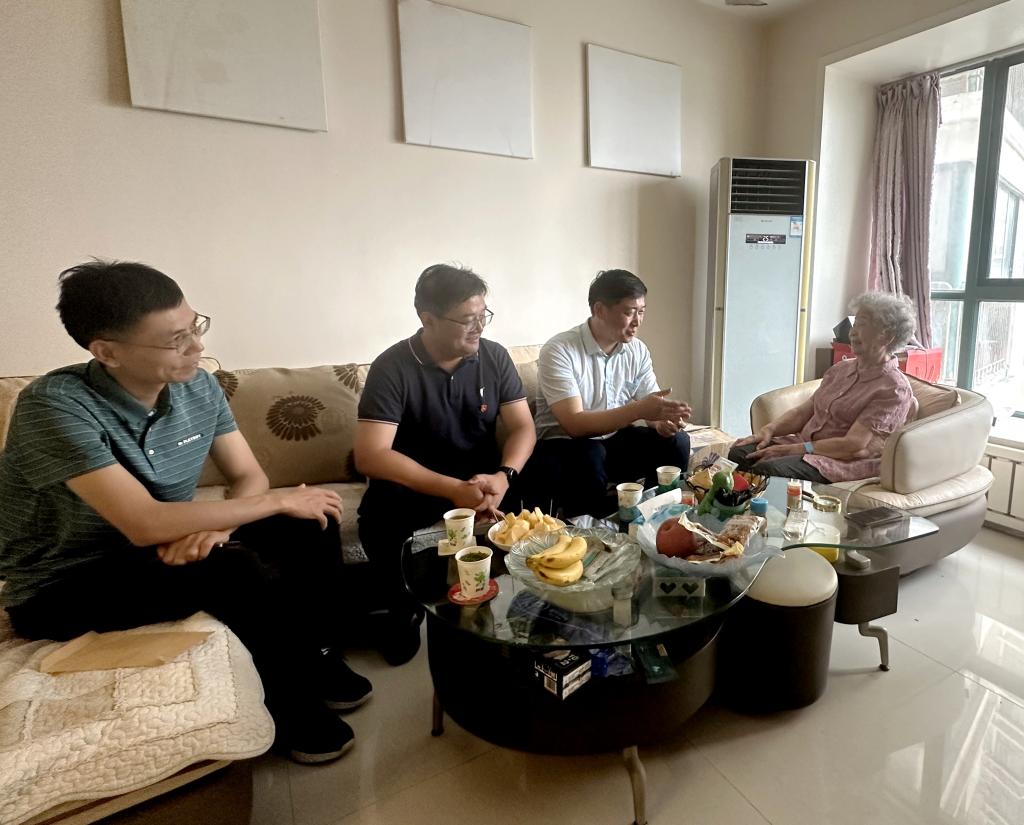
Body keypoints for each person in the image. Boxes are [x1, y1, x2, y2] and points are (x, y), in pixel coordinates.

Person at [0, 260, 370, 765]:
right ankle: (291, 706)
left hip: (158, 544)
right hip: (64, 582)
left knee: (311, 518)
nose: (196, 347)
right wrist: (271, 502)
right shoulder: (54, 407)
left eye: (196, 326)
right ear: (107, 352)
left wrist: (222, 524)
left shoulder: (197, 385)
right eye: (176, 340)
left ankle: (321, 655)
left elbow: (248, 475)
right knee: (234, 570)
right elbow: (143, 522)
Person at [355, 264, 536, 666]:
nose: (479, 327)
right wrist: (451, 489)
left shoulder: (494, 356)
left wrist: (505, 476)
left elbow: (523, 427)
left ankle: (524, 598)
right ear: (428, 319)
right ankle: (403, 608)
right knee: (379, 515)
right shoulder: (392, 367)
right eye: (468, 319)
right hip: (417, 483)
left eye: (484, 316)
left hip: (483, 479)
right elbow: (371, 455)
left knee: (547, 479)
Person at [530, 269, 692, 517]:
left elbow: (651, 403)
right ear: (600, 310)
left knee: (678, 441)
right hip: (562, 445)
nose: (637, 321)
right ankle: (588, 530)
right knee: (590, 456)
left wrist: (661, 421)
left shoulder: (637, 350)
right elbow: (574, 424)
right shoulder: (560, 349)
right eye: (629, 312)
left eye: (642, 311)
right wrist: (639, 410)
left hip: (613, 441)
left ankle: (655, 515)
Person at [729, 291, 916, 482]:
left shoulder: (894, 389)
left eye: (862, 325)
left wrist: (793, 450)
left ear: (886, 336)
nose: (852, 332)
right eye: (855, 324)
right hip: (804, 446)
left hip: (838, 460)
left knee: (768, 470)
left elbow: (853, 445)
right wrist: (768, 430)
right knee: (739, 453)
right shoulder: (840, 369)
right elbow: (803, 412)